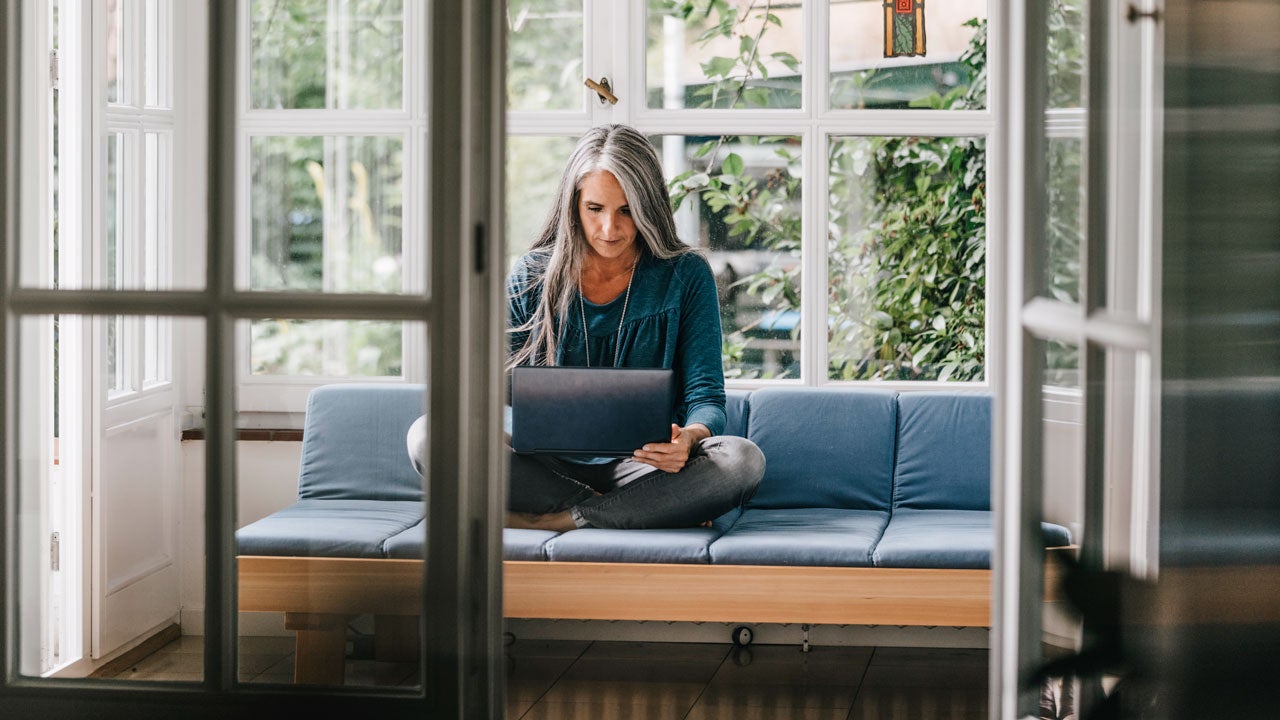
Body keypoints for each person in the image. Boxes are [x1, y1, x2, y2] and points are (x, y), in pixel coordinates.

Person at [408, 123, 764, 531]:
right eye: (595, 209)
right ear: (573, 204)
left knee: (742, 460)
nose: (610, 229)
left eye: (627, 210)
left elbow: (707, 397)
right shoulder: (531, 275)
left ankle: (563, 519)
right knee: (428, 435)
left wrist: (690, 437)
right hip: (544, 470)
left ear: (649, 206)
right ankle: (632, 510)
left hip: (644, 468)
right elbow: (495, 395)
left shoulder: (686, 275)